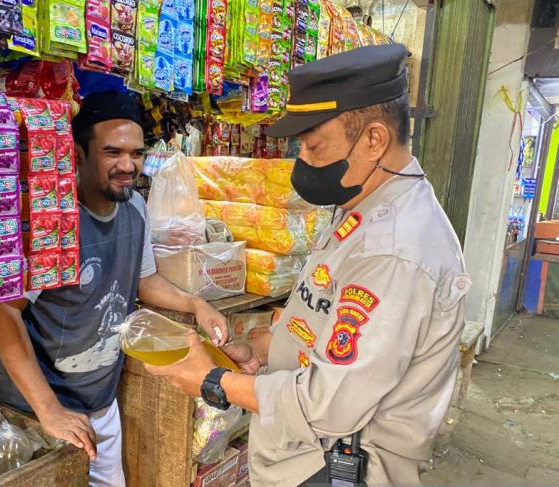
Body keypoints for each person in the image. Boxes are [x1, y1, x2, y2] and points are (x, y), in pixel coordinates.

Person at [147, 44, 471, 486]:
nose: (304, 161)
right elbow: (338, 323)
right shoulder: (365, 205)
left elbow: (330, 405)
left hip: (337, 467)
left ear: (374, 140)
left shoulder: (393, 250)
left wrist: (213, 380)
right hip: (309, 456)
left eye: (315, 147)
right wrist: (271, 349)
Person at [0, 91, 228, 487]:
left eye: (137, 153)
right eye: (113, 152)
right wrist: (48, 410)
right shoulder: (51, 218)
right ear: (78, 153)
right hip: (28, 405)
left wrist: (195, 304)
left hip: (96, 400)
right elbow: (3, 312)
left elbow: (143, 279)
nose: (128, 166)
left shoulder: (135, 210)